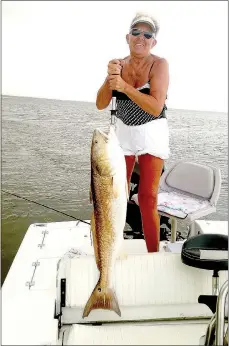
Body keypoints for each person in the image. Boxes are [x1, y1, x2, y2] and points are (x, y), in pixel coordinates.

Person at [96, 12, 170, 252]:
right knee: (113, 195)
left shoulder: (159, 64)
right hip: (123, 132)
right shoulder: (118, 65)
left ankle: (153, 254)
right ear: (127, 37)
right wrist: (111, 79)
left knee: (148, 198)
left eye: (147, 34)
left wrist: (125, 87)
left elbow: (156, 105)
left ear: (153, 41)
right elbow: (100, 103)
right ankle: (110, 249)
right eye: (136, 32)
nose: (141, 37)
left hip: (153, 130)